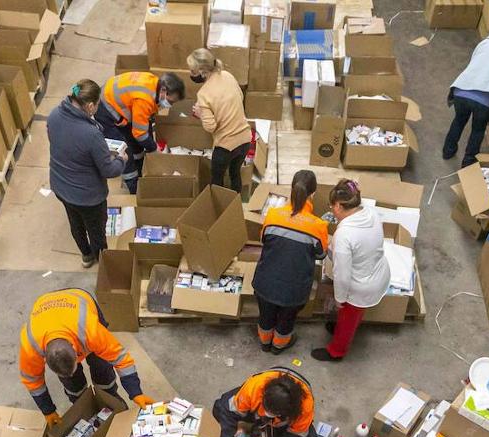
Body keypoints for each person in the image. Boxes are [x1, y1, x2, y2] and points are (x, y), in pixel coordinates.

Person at [19, 288, 154, 426]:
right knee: (71, 381)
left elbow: (120, 358)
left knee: (101, 365)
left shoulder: (91, 330)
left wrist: (135, 392)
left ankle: (108, 395)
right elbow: (32, 382)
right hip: (46, 306)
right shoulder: (30, 345)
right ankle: (82, 403)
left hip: (80, 299)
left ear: (74, 347)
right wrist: (48, 411)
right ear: (44, 355)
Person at [46, 80, 127, 268]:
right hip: (87, 196)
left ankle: (86, 256)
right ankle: (103, 262)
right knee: (96, 230)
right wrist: (121, 159)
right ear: (90, 106)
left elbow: (58, 144)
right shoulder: (91, 134)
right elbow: (109, 170)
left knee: (76, 223)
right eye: (98, 105)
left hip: (60, 186)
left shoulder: (53, 115)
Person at [312, 180, 389, 362]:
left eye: (332, 207)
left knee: (348, 320)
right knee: (350, 318)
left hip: (361, 287)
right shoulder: (370, 213)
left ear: (339, 205)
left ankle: (336, 351)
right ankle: (339, 327)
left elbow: (343, 276)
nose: (332, 210)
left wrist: (340, 299)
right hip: (377, 272)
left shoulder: (344, 235)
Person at [252, 170, 328, 352]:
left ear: (291, 189)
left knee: (266, 316)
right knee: (286, 319)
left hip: (265, 283)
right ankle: (279, 345)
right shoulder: (318, 226)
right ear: (313, 194)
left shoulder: (272, 215)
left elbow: (264, 240)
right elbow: (321, 255)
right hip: (294, 290)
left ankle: (265, 342)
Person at [213, 367, 315, 437]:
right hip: (255, 412)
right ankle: (259, 427)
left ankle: (269, 433)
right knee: (219, 409)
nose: (268, 413)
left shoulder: (304, 408)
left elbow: (297, 435)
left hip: (282, 424)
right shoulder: (254, 388)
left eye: (274, 412)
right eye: (267, 408)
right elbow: (228, 410)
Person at [442, 30, 489, 167]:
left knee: (458, 121)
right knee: (478, 129)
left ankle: (448, 151)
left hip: (461, 89)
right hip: (485, 99)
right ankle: (468, 162)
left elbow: (473, 64)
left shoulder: (484, 43)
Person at [100, 71, 186, 192]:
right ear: (164, 90)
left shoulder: (155, 84)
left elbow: (146, 122)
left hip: (117, 100)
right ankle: (135, 189)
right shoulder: (145, 99)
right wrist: (154, 149)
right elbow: (140, 134)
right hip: (106, 108)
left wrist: (150, 146)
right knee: (124, 151)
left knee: (135, 143)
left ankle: (141, 169)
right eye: (170, 101)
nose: (170, 105)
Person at [186, 49, 251, 192]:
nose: (190, 74)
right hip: (246, 139)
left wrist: (201, 113)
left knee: (217, 182)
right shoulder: (227, 75)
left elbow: (210, 126)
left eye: (192, 71)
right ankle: (236, 204)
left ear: (202, 71)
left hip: (225, 147)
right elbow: (240, 96)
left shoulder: (203, 93)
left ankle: (219, 209)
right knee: (235, 174)